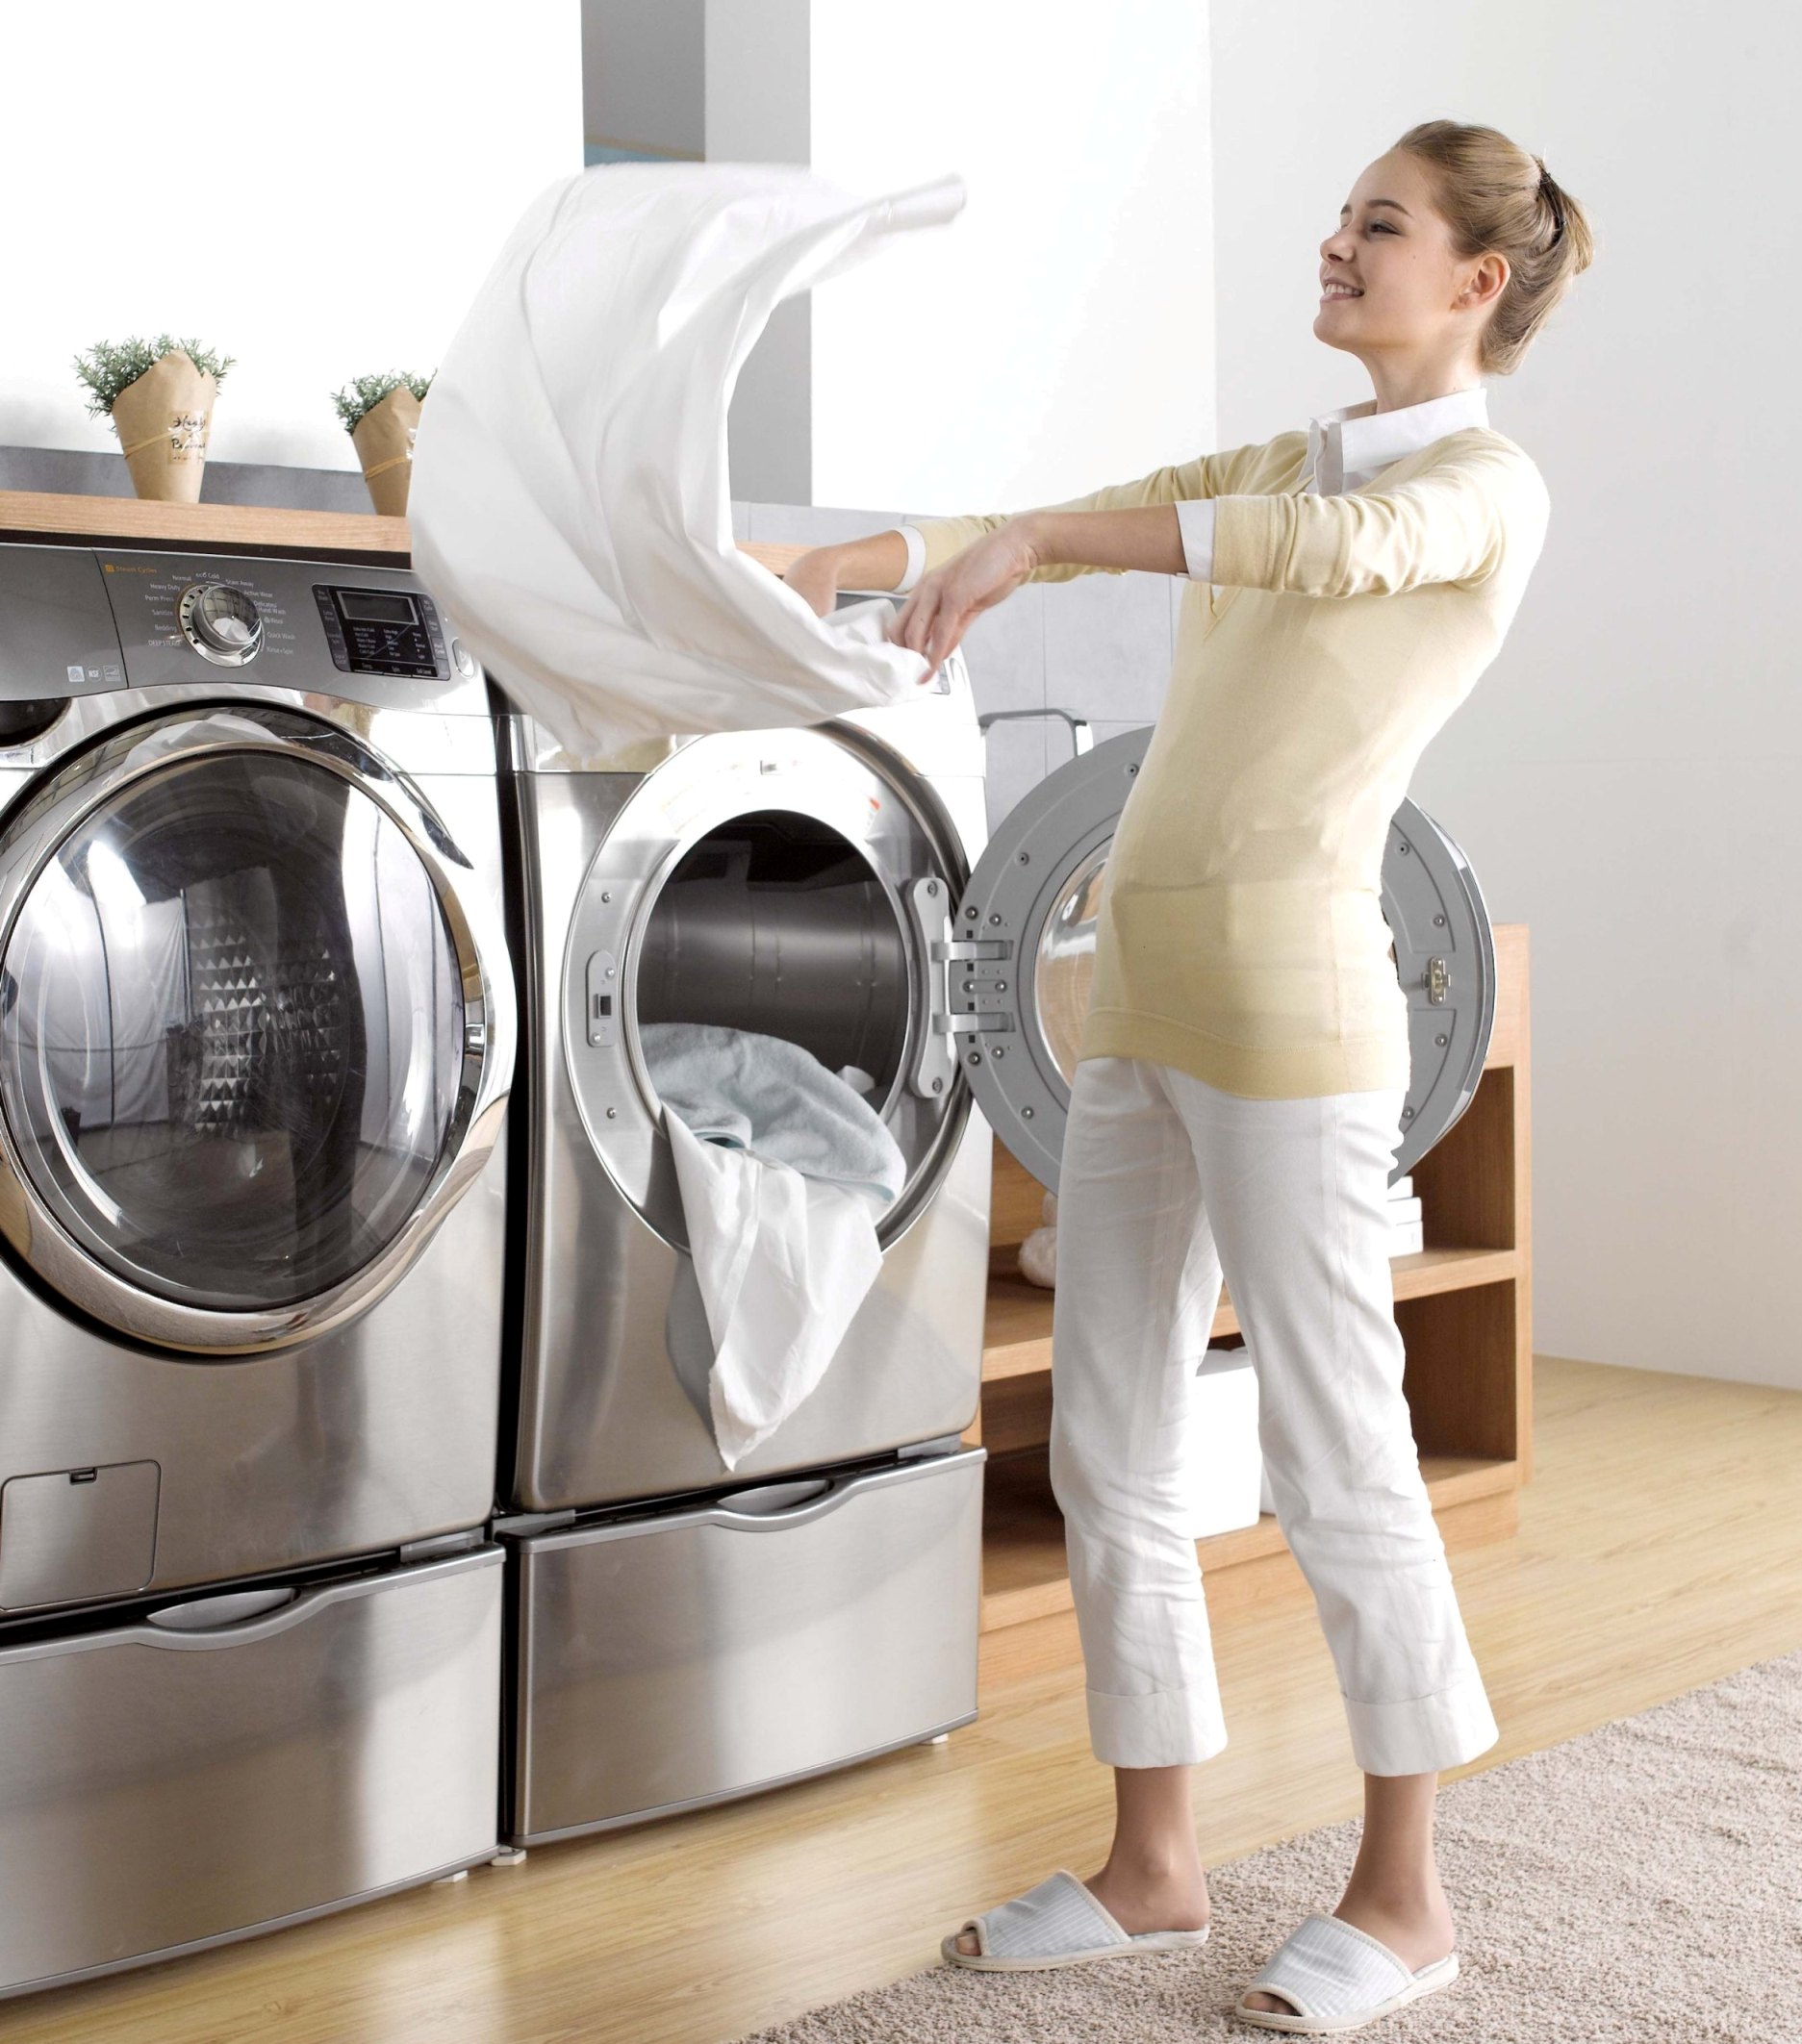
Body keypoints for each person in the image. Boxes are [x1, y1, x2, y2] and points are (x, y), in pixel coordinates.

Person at [783, 118, 1592, 2033]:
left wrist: (1036, 546)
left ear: (1474, 279)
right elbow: (1066, 509)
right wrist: (836, 563)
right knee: (1109, 1439)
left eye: (1377, 225)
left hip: (1296, 1019)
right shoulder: (1271, 465)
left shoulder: (1478, 490)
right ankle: (1152, 1863)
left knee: (1334, 1449)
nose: (1336, 244)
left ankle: (1405, 1898)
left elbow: (1329, 554)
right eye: (1340, 217)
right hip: (1136, 1001)